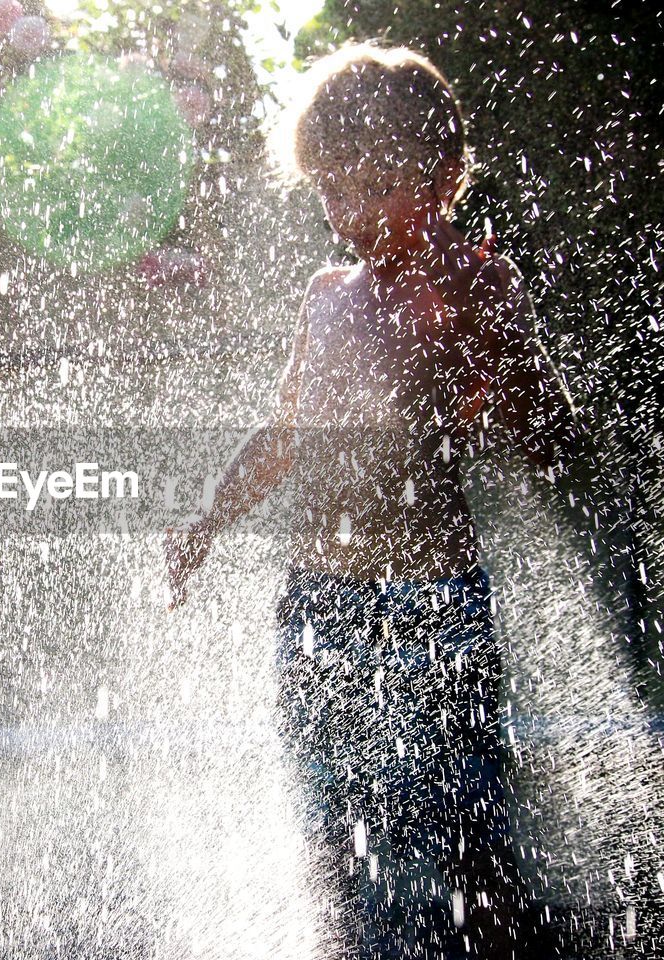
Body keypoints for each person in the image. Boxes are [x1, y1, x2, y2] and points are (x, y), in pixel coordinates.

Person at [163, 43, 585, 959]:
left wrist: (483, 344)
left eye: (377, 187)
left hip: (436, 604)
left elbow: (553, 442)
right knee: (333, 817)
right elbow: (283, 436)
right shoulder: (325, 299)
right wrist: (204, 521)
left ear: (441, 181)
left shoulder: (482, 286)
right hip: (320, 603)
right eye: (330, 189)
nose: (350, 213)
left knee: (469, 821)